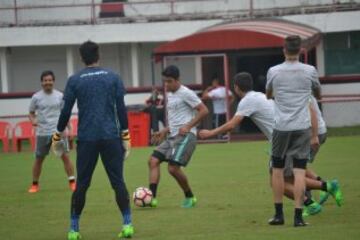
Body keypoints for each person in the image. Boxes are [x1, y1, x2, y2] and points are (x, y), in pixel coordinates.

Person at [199, 72, 342, 218]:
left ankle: (321, 192)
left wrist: (211, 133)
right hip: (291, 135)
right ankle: (314, 197)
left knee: (278, 182)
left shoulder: (247, 100)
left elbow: (232, 124)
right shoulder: (260, 95)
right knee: (294, 172)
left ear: (236, 87)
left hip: (281, 141)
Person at [52, 41, 133, 239]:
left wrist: (57, 133)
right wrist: (125, 134)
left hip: (87, 139)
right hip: (111, 137)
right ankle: (128, 225)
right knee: (118, 182)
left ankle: (73, 229)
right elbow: (121, 108)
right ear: (99, 55)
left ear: (81, 58)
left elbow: (66, 110)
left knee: (82, 184)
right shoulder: (113, 77)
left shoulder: (74, 80)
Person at [266, 35, 321, 227]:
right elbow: (317, 93)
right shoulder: (310, 70)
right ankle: (298, 217)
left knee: (278, 170)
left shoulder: (273, 71)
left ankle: (279, 215)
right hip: (302, 127)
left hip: (281, 127)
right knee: (299, 171)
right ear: (300, 51)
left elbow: (268, 94)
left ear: (284, 50)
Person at [148, 65, 208, 208]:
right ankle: (151, 199)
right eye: (165, 81)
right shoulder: (170, 94)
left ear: (177, 80)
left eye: (169, 81)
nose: (166, 84)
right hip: (172, 136)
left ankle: (190, 197)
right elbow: (178, 119)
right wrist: (165, 130)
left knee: (173, 168)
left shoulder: (186, 93)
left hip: (186, 136)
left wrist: (188, 126)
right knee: (153, 161)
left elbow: (204, 110)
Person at [28, 70, 76, 193]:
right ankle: (34, 185)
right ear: (41, 82)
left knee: (65, 156)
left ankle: (72, 182)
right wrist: (33, 120)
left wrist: (69, 129)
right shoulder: (36, 97)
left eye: (50, 80)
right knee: (39, 159)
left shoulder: (60, 96)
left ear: (53, 81)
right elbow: (31, 113)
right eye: (45, 80)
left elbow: (64, 114)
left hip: (58, 132)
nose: (47, 82)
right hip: (42, 133)